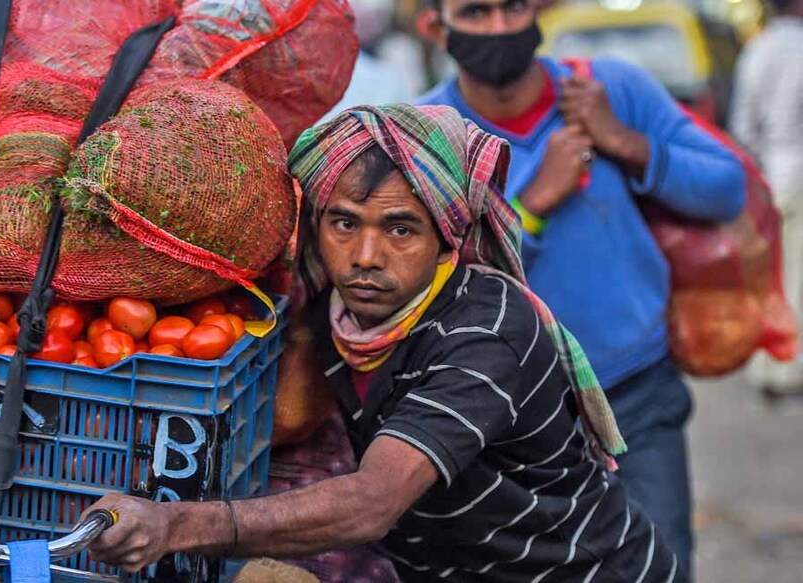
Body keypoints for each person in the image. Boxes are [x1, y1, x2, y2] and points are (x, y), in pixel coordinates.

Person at [81, 104, 682, 582]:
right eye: (344, 223)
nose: (366, 257)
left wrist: (173, 524)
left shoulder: (487, 331)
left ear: (448, 237)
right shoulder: (330, 312)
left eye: (401, 229)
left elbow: (373, 501)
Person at [414, 0, 746, 577]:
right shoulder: (426, 135)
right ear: (435, 28)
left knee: (661, 566)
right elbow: (431, 281)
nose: (500, 27)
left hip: (636, 394)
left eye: (512, 8)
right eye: (476, 12)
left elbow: (727, 187)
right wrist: (532, 206)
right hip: (508, 420)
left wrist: (624, 141)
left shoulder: (608, 89)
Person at [730, 0, 803, 402]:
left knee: (773, 276)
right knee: (797, 280)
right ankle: (788, 374)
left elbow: (744, 124)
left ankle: (769, 369)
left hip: (771, 176)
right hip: (798, 172)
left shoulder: (758, 49)